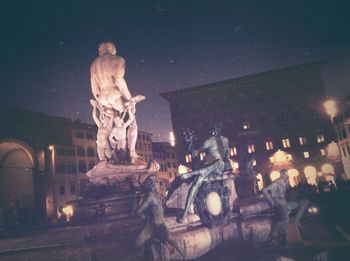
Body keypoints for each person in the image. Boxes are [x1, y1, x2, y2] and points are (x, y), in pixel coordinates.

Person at [90, 42, 145, 164]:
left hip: (103, 97)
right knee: (132, 122)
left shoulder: (94, 65)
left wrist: (100, 103)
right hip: (115, 95)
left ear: (101, 50)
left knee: (108, 124)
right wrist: (129, 99)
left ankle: (109, 156)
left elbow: (95, 90)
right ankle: (131, 152)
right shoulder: (118, 59)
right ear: (113, 50)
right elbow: (119, 80)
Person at [177, 122, 230, 223]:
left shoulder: (225, 140)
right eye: (214, 128)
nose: (215, 130)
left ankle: (192, 173)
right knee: (196, 183)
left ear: (221, 129)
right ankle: (184, 214)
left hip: (218, 167)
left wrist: (227, 159)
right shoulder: (210, 140)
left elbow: (227, 154)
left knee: (219, 162)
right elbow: (198, 151)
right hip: (207, 167)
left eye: (217, 128)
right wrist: (192, 148)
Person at [136, 175, 186, 260]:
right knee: (169, 239)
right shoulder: (155, 195)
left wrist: (140, 211)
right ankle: (182, 252)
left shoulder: (150, 196)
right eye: (154, 183)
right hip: (156, 224)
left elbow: (139, 210)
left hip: (156, 226)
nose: (156, 185)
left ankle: (182, 252)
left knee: (140, 242)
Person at [262, 169, 309, 245]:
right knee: (285, 219)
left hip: (285, 204)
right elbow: (264, 190)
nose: (288, 176)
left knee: (305, 202)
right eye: (286, 174)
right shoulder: (277, 183)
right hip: (279, 205)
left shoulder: (284, 183)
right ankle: (273, 236)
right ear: (282, 174)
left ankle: (296, 220)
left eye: (288, 175)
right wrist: (272, 202)